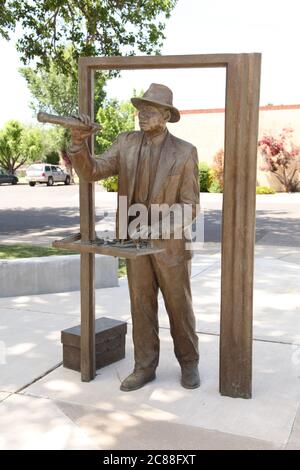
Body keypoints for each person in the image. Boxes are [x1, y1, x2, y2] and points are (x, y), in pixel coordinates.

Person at [68, 83, 200, 391]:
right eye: (140, 110)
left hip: (170, 245)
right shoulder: (125, 142)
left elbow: (190, 205)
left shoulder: (184, 151)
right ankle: (144, 366)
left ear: (166, 115)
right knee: (140, 304)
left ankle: (189, 362)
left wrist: (155, 228)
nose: (141, 115)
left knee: (179, 306)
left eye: (150, 110)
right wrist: (77, 144)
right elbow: (93, 171)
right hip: (132, 244)